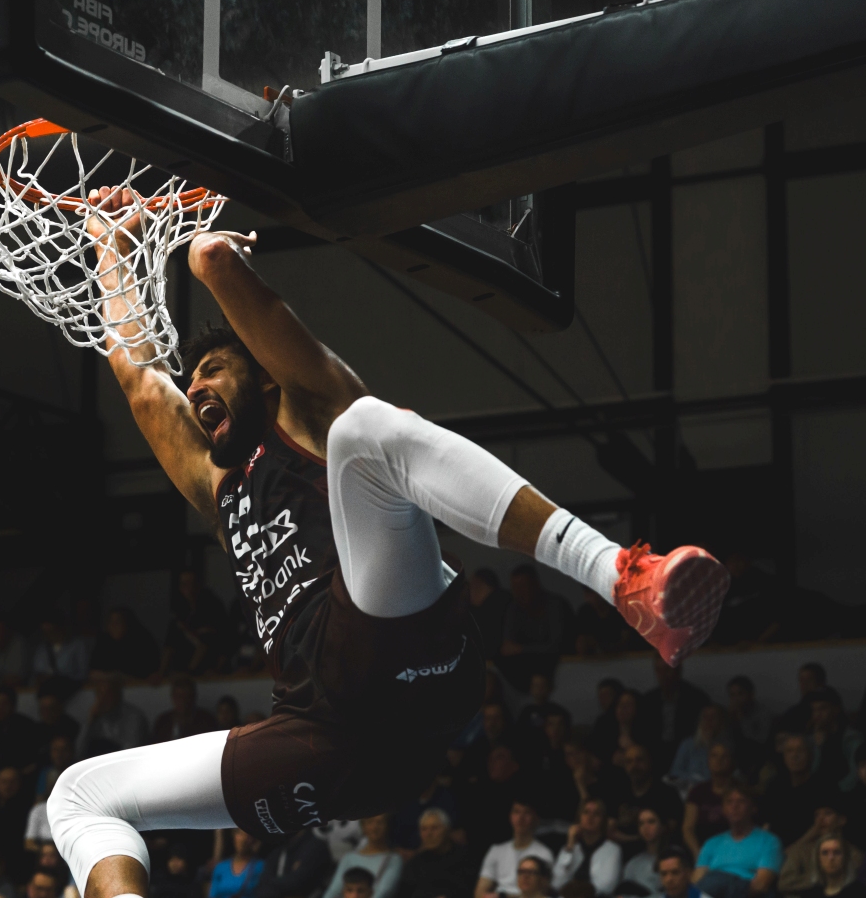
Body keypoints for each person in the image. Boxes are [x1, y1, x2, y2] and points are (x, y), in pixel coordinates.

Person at [43, 213, 727, 898]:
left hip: (399, 652)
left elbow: (227, 273)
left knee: (363, 427)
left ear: (267, 380)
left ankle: (621, 576)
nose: (194, 388)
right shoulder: (216, 487)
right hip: (328, 735)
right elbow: (141, 381)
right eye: (191, 379)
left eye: (214, 370)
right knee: (77, 795)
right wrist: (110, 247)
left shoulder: (309, 413)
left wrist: (210, 257)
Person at [694, 788, 783, 898]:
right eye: (729, 802)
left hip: (746, 893)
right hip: (712, 892)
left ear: (753, 808)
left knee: (717, 880)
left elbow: (761, 885)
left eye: (741, 801)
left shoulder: (769, 841)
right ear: (723, 809)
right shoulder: (711, 843)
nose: (734, 806)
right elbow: (697, 882)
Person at [640, 656, 711, 770]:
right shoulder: (648, 700)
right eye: (659, 670)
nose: (663, 675)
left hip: (689, 755)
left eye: (667, 669)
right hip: (654, 755)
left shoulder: (696, 698)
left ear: (678, 670)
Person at [763, 736, 836, 848]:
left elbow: (820, 827)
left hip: (811, 847)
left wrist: (790, 851)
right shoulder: (775, 786)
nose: (794, 755)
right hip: (776, 848)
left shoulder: (823, 786)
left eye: (800, 750)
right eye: (789, 751)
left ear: (810, 755)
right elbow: (767, 823)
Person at [779, 802, 864, 895]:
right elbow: (784, 883)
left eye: (828, 813)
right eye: (817, 815)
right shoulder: (802, 850)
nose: (820, 819)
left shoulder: (853, 853)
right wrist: (818, 877)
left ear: (841, 820)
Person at [476, 802, 554, 898]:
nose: (520, 818)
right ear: (510, 816)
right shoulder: (496, 850)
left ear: (536, 819)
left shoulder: (544, 853)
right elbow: (480, 892)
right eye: (516, 812)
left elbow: (543, 893)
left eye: (527, 813)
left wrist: (504, 896)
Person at [551, 797, 622, 895]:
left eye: (596, 814)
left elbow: (606, 887)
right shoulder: (570, 848)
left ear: (603, 820)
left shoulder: (613, 849)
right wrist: (569, 848)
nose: (590, 817)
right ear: (579, 817)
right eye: (586, 812)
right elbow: (556, 883)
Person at [321, 814, 403, 898]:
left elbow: (384, 891)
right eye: (370, 822)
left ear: (388, 826)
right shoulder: (349, 857)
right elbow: (333, 890)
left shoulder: (393, 859)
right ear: (363, 826)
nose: (374, 827)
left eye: (380, 822)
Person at [395, 809, 471, 898]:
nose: (428, 834)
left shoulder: (465, 858)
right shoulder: (414, 865)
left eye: (434, 828)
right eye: (424, 829)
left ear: (447, 829)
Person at [75, 674, 149, 757]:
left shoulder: (134, 717)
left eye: (107, 694)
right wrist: (90, 721)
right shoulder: (94, 715)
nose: (103, 699)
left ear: (117, 694)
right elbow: (78, 751)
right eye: (100, 694)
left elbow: (130, 752)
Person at [684, 744, 738, 858]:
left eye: (724, 756)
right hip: (703, 850)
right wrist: (699, 854)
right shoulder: (697, 791)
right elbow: (688, 828)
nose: (719, 760)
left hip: (735, 850)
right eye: (714, 756)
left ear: (732, 761)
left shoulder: (741, 791)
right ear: (708, 761)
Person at [250, 825, 330, 898]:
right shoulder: (279, 851)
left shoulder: (315, 845)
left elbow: (297, 883)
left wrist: (272, 885)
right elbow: (262, 886)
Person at [672, 705, 731, 792]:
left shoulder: (726, 746)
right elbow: (675, 772)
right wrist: (696, 779)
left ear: (720, 721)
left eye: (713, 717)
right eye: (705, 717)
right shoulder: (688, 744)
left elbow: (733, 774)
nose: (708, 721)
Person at [795, 834, 866, 898]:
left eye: (836, 852)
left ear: (846, 857)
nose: (831, 858)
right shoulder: (810, 894)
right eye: (825, 853)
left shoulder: (860, 893)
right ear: (818, 859)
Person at [618, 808, 669, 897]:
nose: (646, 827)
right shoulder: (633, 863)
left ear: (662, 826)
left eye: (651, 822)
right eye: (641, 823)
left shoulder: (674, 858)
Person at [151, 677, 218, 743]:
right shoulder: (163, 722)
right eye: (179, 697)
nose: (183, 701)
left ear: (194, 697)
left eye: (187, 696)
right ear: (173, 697)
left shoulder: (206, 721)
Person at [467, 570, 511, 664]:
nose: (468, 591)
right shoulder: (478, 610)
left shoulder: (494, 608)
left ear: (478, 585)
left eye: (471, 586)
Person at [209, 830, 264, 898]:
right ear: (233, 836)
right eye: (239, 834)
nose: (243, 839)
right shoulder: (220, 867)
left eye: (247, 836)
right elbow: (213, 894)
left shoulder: (260, 866)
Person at [726, 677, 771, 747]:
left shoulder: (763, 713)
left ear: (751, 694)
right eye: (732, 695)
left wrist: (741, 718)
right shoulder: (729, 713)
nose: (736, 699)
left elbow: (760, 741)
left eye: (740, 694)